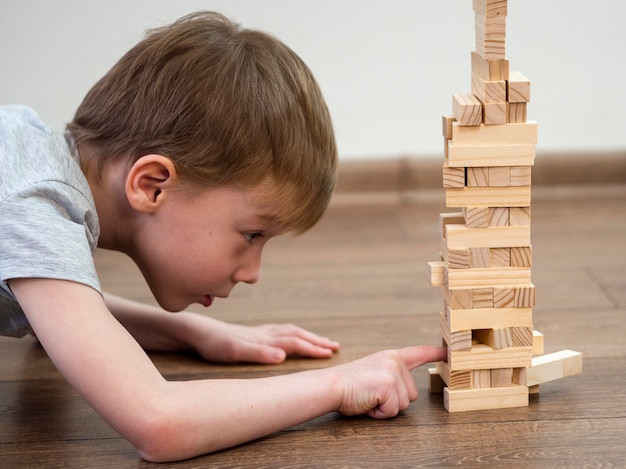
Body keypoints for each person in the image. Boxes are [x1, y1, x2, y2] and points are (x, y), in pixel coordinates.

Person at [0, 11, 446, 462]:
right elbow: (158, 421)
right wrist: (339, 383)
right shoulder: (34, 202)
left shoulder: (30, 162)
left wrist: (191, 332)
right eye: (252, 234)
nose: (252, 273)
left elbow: (55, 309)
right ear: (152, 184)